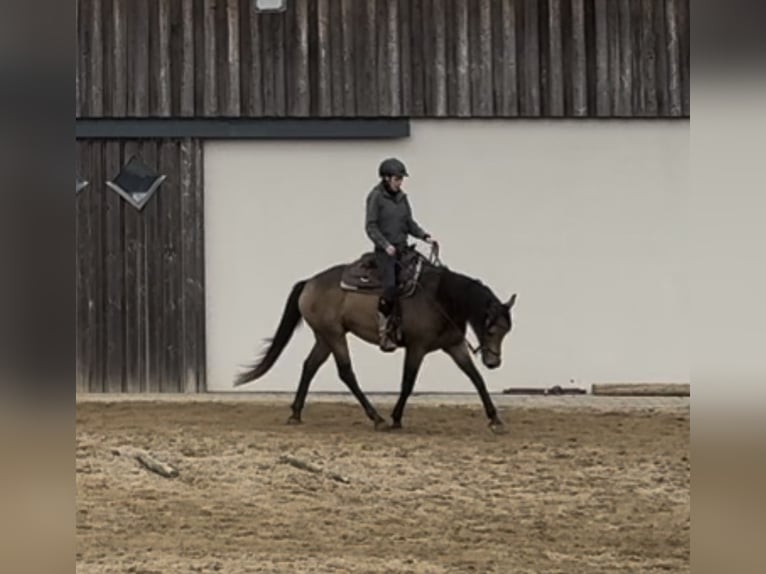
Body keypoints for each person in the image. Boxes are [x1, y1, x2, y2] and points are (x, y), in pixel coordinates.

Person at [365, 157, 437, 352]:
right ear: (386, 178)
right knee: (390, 286)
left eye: (401, 179)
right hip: (385, 252)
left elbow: (409, 223)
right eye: (397, 179)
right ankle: (384, 331)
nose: (400, 182)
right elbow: (370, 226)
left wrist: (424, 236)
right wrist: (385, 245)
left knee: (424, 277)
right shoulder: (375, 197)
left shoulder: (402, 198)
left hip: (403, 248)